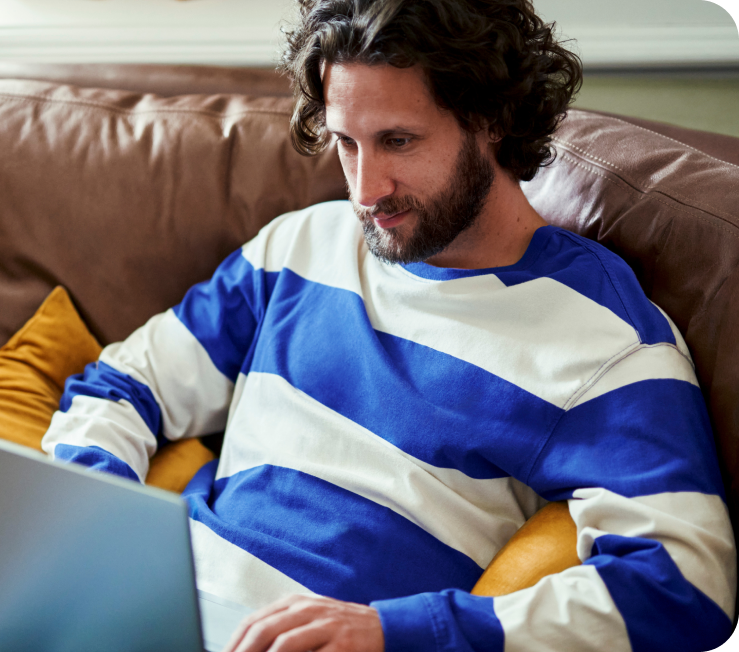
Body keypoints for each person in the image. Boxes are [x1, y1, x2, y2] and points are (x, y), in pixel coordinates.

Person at [41, 0, 737, 650]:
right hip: (123, 615)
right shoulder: (298, 250)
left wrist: (396, 632)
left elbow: (683, 592)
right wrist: (94, 525)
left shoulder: (604, 344)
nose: (364, 190)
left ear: (492, 118)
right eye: (346, 143)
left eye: (397, 141)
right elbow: (119, 386)